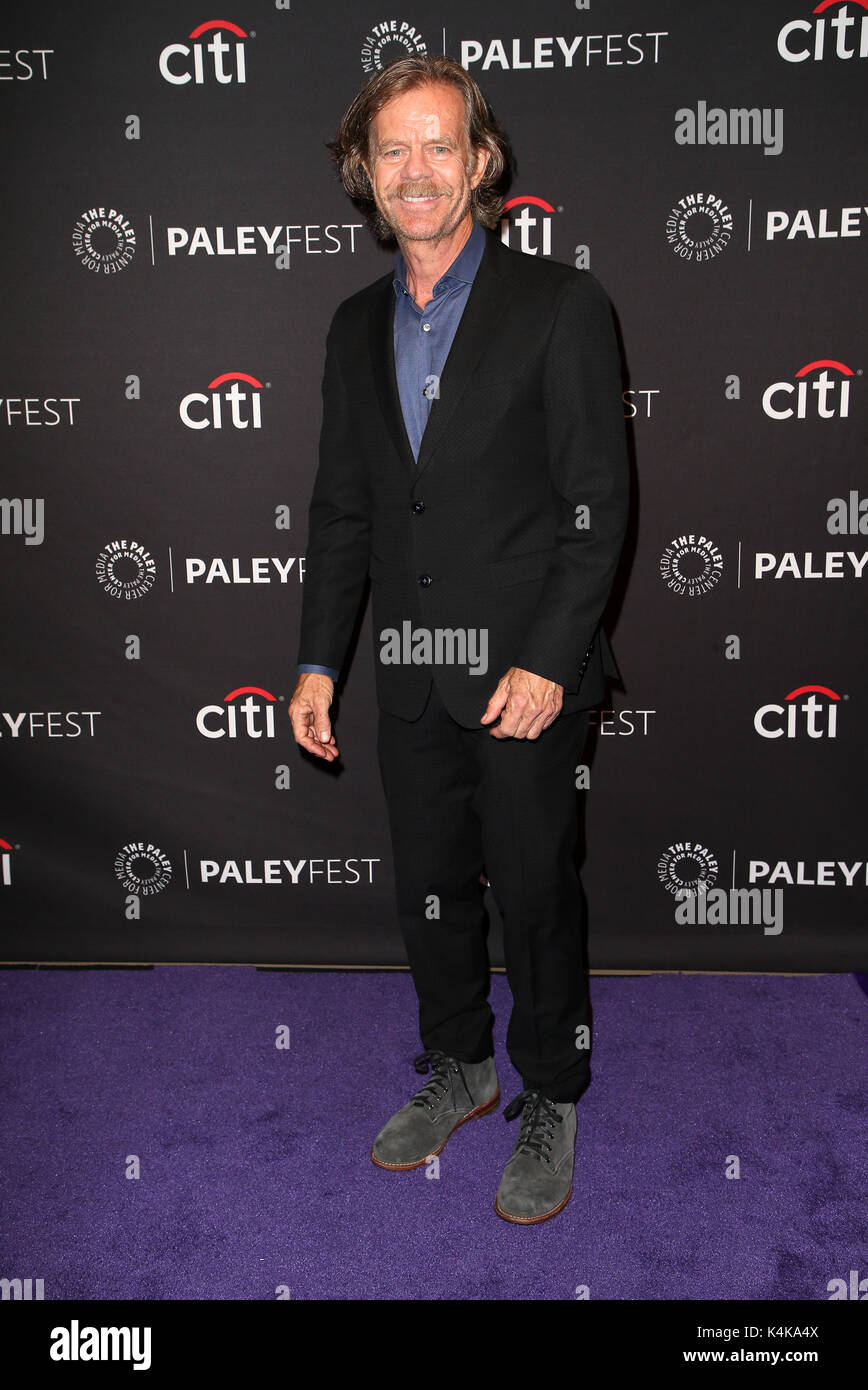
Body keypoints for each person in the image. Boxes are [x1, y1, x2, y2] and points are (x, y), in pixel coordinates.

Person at [289, 54, 629, 1224]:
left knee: (535, 888)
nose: (417, 169)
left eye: (440, 144)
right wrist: (320, 659)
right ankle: (461, 1065)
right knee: (430, 887)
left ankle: (553, 1088)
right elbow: (344, 509)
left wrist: (547, 659)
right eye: (393, 149)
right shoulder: (348, 329)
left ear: (482, 163)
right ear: (363, 175)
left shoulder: (562, 306)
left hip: (529, 669)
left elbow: (599, 507)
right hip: (413, 674)